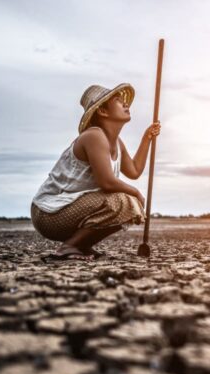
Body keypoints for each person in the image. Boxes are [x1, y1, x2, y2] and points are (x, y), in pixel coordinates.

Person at [31, 83, 160, 261]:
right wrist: (136, 192)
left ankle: (81, 245)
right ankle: (69, 247)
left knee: (128, 203)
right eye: (118, 101)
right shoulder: (94, 136)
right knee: (124, 202)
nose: (125, 104)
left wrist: (147, 138)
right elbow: (106, 182)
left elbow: (134, 171)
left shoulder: (116, 142)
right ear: (103, 112)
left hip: (69, 208)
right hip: (48, 214)